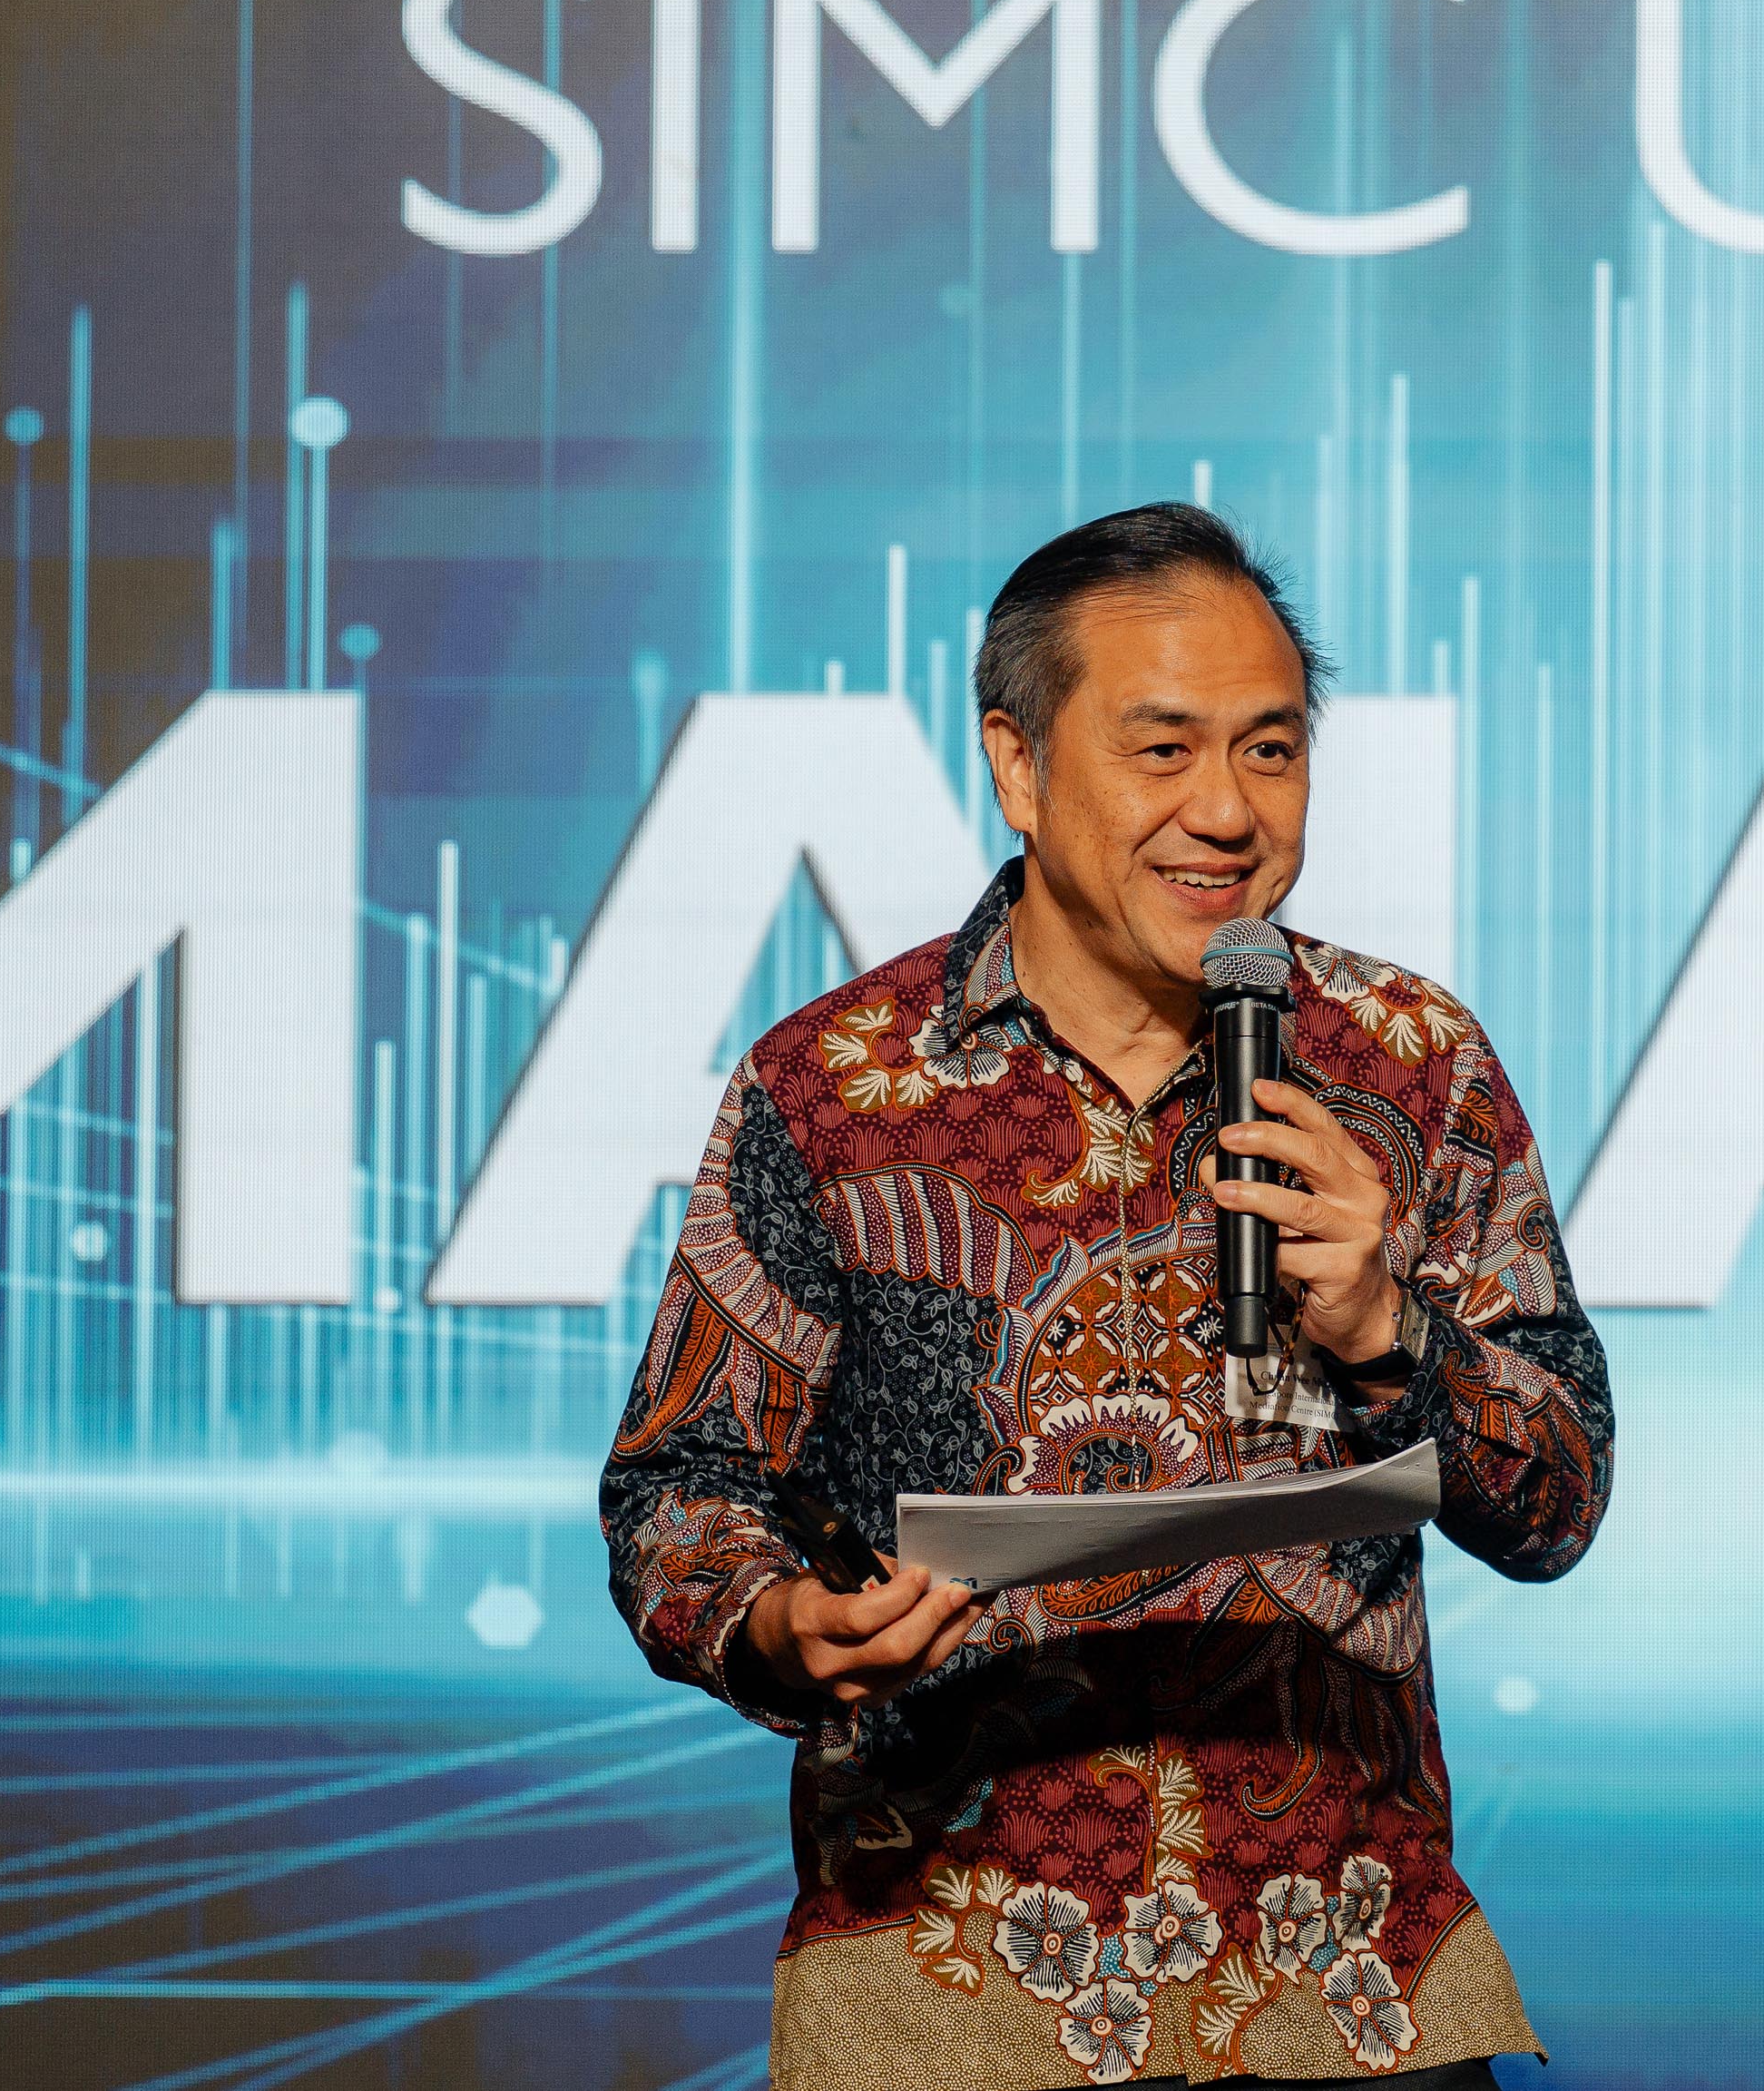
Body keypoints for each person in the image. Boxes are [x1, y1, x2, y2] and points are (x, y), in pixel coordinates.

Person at [601, 505, 1614, 2089]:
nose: (1227, 811)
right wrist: (787, 1627)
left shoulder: (1411, 1063)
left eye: (1271, 751)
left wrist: (1390, 1335)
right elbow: (680, 1491)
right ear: (1017, 765)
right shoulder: (833, 1089)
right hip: (947, 1996)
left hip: (1353, 1988)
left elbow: (1559, 1500)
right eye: (1164, 750)